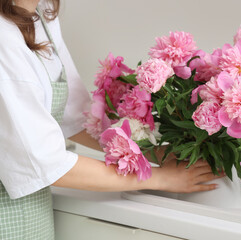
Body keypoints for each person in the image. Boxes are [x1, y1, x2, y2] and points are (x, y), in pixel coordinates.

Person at [0, 0, 224, 239]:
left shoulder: (41, 15)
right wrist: (160, 177)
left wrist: (152, 153)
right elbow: (46, 163)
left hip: (34, 215)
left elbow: (75, 117)